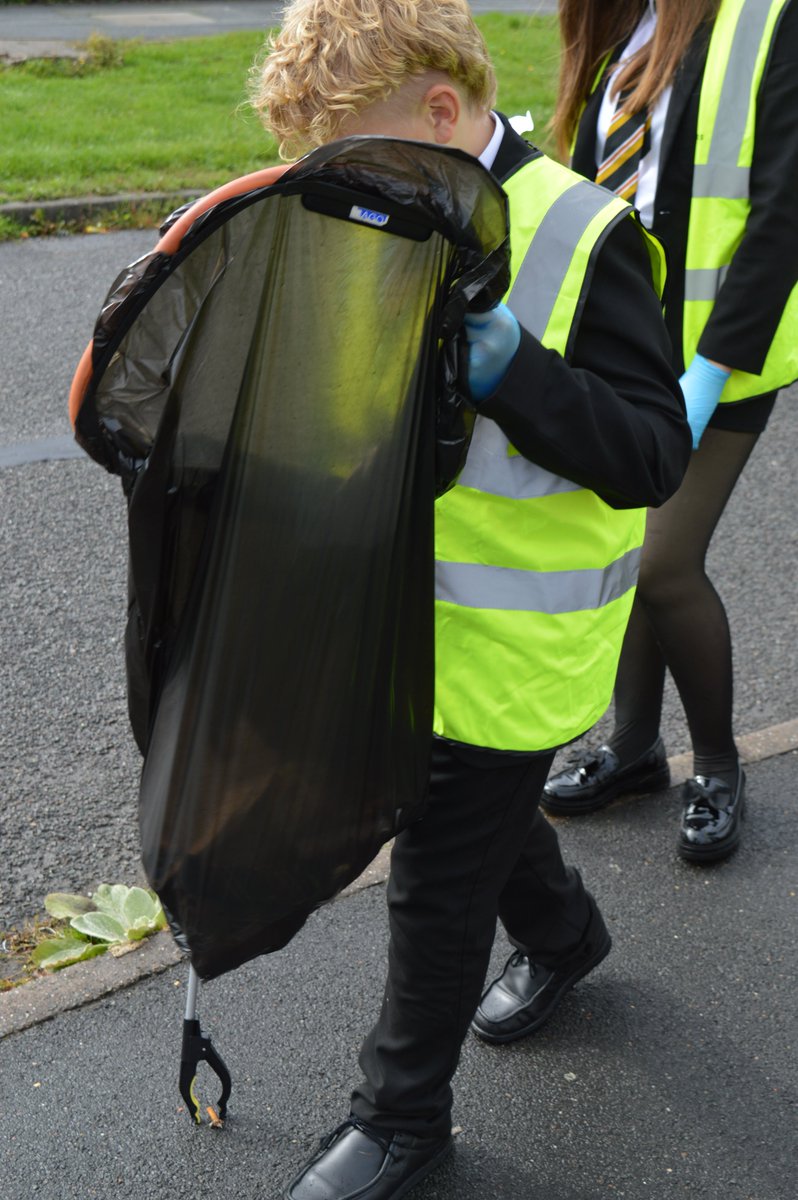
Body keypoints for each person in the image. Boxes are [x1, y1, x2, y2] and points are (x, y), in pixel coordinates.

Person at [249, 2, 691, 1197]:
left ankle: (401, 1121)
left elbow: (655, 454)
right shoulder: (400, 206)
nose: (347, 195)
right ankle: (565, 933)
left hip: (514, 640)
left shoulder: (584, 237)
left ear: (442, 114)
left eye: (361, 162)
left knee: (436, 872)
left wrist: (515, 373)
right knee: (469, 828)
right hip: (409, 618)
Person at [542, 0, 798, 864]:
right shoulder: (622, 23)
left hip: (718, 355)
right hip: (627, 350)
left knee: (662, 561)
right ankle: (635, 748)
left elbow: (782, 212)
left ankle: (719, 765)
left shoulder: (771, 17)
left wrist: (710, 370)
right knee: (622, 551)